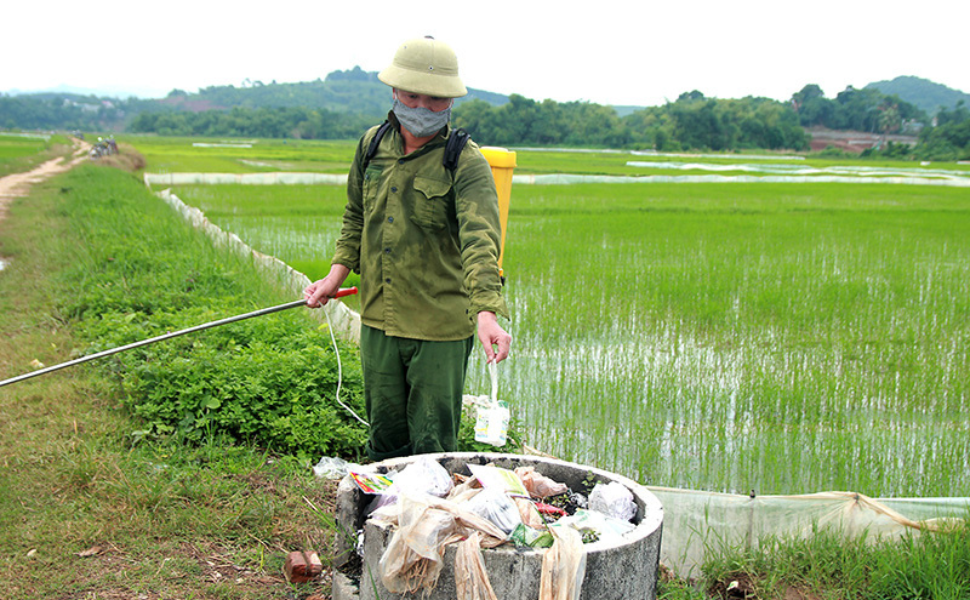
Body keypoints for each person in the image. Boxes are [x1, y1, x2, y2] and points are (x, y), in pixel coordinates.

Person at [305, 37, 511, 461]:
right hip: (380, 318)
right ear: (394, 92)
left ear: (450, 100)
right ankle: (380, 522)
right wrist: (334, 277)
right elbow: (356, 218)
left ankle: (430, 521)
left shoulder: (465, 162)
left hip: (439, 326)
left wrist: (487, 313)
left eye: (435, 100)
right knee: (384, 440)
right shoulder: (371, 147)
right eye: (412, 95)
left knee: (433, 447)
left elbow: (480, 241)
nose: (421, 108)